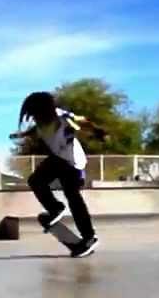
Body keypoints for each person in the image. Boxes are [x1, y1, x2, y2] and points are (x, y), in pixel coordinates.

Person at [13, 91, 102, 258]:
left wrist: (97, 130)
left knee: (73, 197)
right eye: (31, 115)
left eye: (35, 114)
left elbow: (81, 121)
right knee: (35, 181)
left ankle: (89, 237)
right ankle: (55, 208)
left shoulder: (62, 117)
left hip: (73, 163)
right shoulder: (39, 121)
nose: (34, 117)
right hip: (58, 158)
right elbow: (35, 129)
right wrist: (23, 135)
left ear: (45, 110)